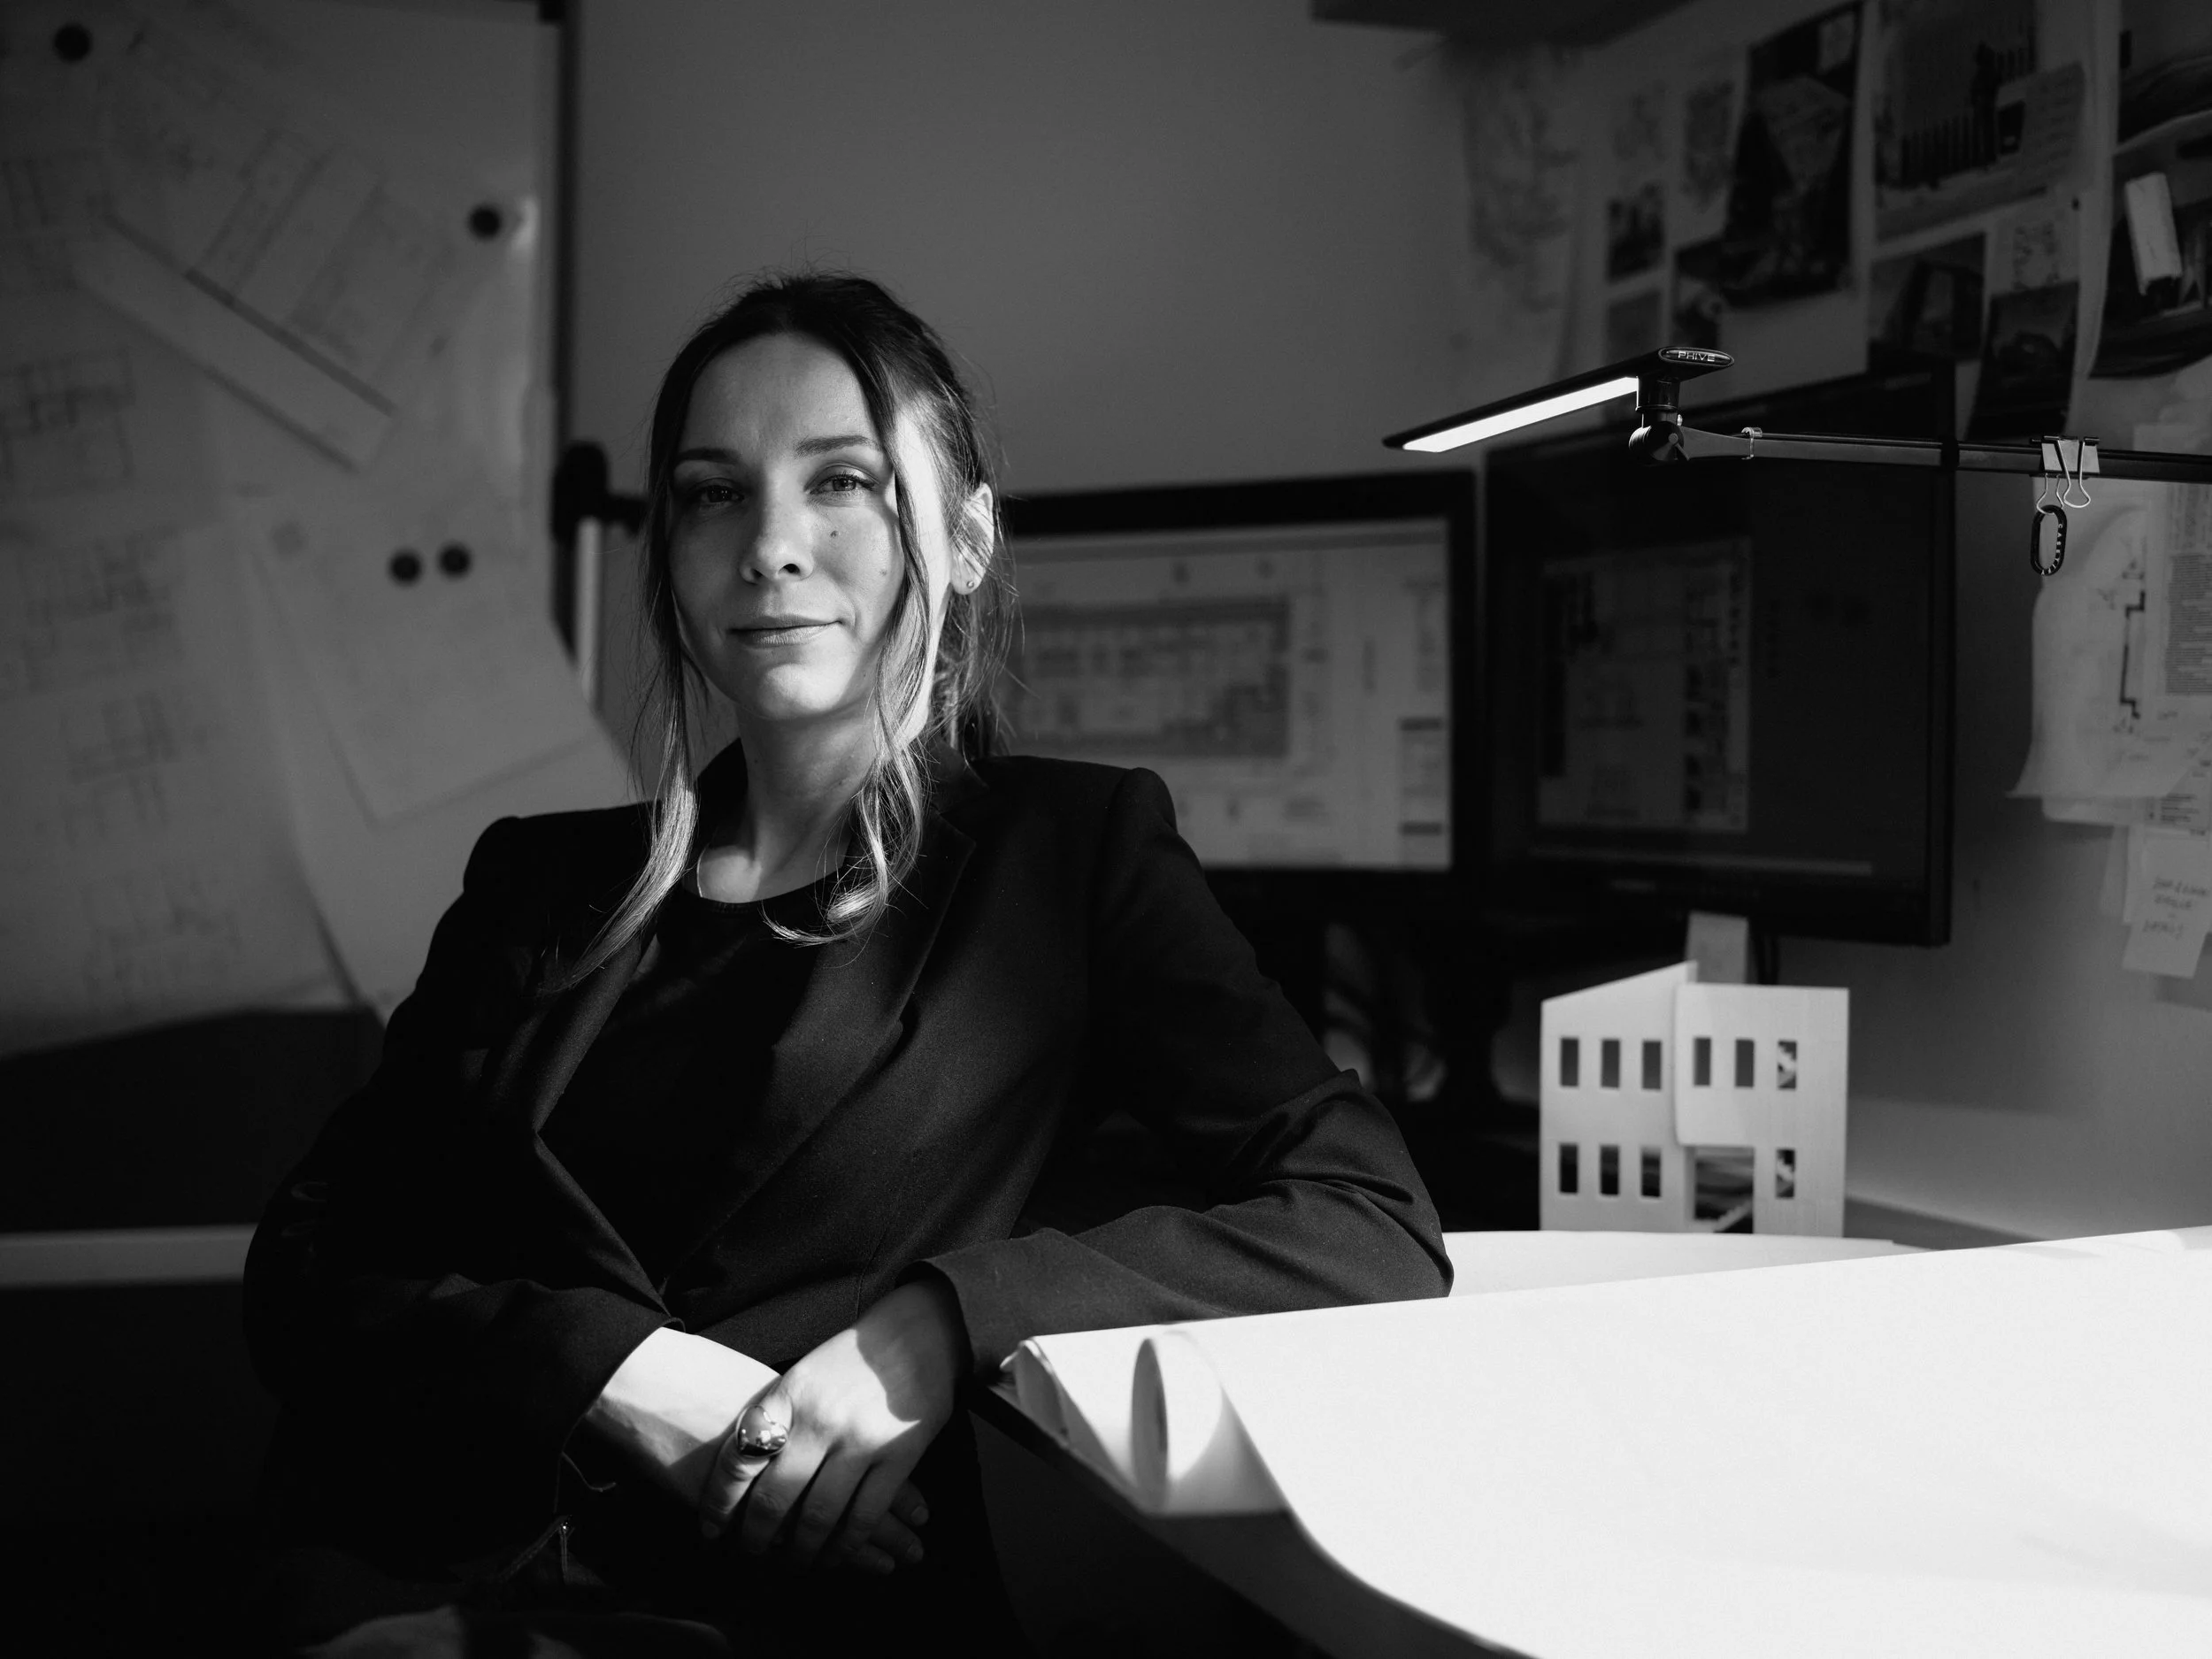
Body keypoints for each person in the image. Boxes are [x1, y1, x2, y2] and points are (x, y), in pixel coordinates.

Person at [244, 272, 1450, 1655]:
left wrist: (939, 1327)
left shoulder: (1067, 858)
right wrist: (618, 1372)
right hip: (441, 1594)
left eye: (844, 483)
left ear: (968, 539)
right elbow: (310, 1269)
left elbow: (1363, 1213)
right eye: (712, 492)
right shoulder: (538, 884)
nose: (770, 545)